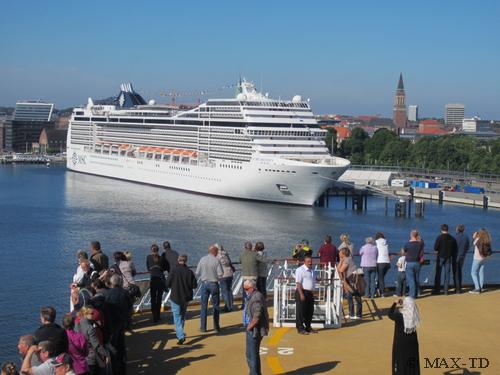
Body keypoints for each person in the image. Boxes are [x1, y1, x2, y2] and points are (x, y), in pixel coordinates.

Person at [165, 254, 198, 344]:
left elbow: (167, 283)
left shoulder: (173, 270)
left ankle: (180, 336)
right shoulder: (189, 272)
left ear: (178, 260)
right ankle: (181, 334)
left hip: (175, 296)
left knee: (177, 316)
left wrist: (173, 284)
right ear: (186, 261)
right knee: (182, 316)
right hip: (185, 297)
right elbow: (194, 285)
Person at [103, 274, 131, 375]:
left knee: (113, 346)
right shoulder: (125, 293)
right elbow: (129, 308)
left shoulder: (107, 294)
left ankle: (115, 369)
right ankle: (123, 369)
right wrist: (128, 322)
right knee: (121, 345)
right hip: (121, 322)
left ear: (111, 283)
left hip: (111, 323)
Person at [388, 298, 421, 375]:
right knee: (412, 363)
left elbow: (389, 314)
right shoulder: (414, 316)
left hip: (400, 344)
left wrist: (394, 303)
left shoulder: (400, 316)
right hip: (412, 344)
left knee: (401, 363)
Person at [243, 280, 269, 375]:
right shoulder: (255, 295)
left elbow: (257, 315)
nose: (245, 291)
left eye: (246, 289)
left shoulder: (256, 298)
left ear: (252, 288)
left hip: (254, 330)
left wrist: (249, 326)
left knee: (252, 355)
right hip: (253, 329)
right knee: (251, 354)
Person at [196, 245, 224, 332]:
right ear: (215, 252)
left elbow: (197, 272)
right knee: (215, 306)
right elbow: (220, 274)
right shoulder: (216, 261)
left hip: (204, 283)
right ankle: (216, 326)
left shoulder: (202, 259)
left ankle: (203, 327)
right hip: (213, 284)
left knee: (203, 306)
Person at [74, 306, 109, 375]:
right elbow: (96, 345)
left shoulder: (76, 324)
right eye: (91, 313)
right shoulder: (90, 328)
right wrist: (106, 354)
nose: (93, 315)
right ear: (85, 314)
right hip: (91, 357)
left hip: (81, 356)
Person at [338, 248, 362, 320]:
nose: (339, 253)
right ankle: (352, 313)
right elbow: (339, 269)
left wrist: (340, 262)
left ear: (343, 253)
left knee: (356, 296)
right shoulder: (347, 259)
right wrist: (340, 261)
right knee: (350, 296)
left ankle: (358, 314)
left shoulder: (347, 260)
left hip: (353, 280)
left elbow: (340, 270)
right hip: (351, 279)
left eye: (340, 252)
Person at [433, 224, 458, 295]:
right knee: (447, 274)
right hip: (449, 257)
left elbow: (435, 248)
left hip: (440, 257)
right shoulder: (452, 238)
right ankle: (446, 290)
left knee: (438, 274)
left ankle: (437, 290)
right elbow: (455, 249)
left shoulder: (439, 237)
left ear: (441, 229)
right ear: (448, 229)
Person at [295, 255, 316, 334]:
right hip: (302, 292)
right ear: (304, 262)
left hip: (310, 293)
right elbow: (298, 283)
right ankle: (300, 328)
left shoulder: (312, 270)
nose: (310, 263)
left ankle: (308, 327)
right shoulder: (300, 270)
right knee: (300, 311)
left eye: (311, 261)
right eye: (308, 262)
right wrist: (301, 294)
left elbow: (311, 280)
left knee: (310, 311)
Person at [146, 244, 167, 322]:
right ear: (158, 250)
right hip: (161, 280)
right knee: (159, 298)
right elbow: (164, 268)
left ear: (151, 250)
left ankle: (154, 316)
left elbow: (148, 268)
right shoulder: (162, 258)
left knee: (153, 298)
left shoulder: (148, 257)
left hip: (153, 279)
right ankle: (158, 315)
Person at [239, 242, 263, 310]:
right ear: (251, 247)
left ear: (245, 247)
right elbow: (261, 260)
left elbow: (240, 261)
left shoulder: (242, 254)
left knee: (245, 291)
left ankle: (244, 304)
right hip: (253, 275)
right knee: (253, 291)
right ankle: (254, 304)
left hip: (245, 275)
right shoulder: (255, 254)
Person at [470, 228, 492, 294]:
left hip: (477, 258)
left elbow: (471, 245)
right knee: (481, 273)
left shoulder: (478, 240)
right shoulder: (487, 240)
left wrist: (474, 237)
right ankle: (481, 287)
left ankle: (477, 288)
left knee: (473, 273)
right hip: (483, 258)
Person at [403, 230, 423, 299]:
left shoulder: (407, 244)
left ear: (411, 235)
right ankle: (416, 293)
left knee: (411, 280)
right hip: (417, 263)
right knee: (416, 278)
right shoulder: (420, 244)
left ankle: (412, 295)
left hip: (409, 263)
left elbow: (404, 251)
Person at [216, 243, 235, 312]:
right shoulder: (226, 254)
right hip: (230, 273)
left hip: (223, 275)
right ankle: (231, 305)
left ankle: (227, 307)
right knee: (229, 290)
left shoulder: (217, 256)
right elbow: (230, 263)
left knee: (224, 291)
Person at [454, 224, 470, 294]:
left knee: (456, 273)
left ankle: (457, 289)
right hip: (462, 256)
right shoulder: (466, 237)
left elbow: (453, 247)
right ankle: (459, 287)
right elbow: (467, 247)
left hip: (455, 257)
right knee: (459, 272)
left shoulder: (455, 237)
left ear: (457, 229)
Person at [375, 232, 391, 297]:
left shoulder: (376, 242)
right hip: (387, 263)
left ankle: (382, 293)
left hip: (380, 262)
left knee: (381, 278)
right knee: (381, 277)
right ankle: (378, 289)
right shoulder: (386, 243)